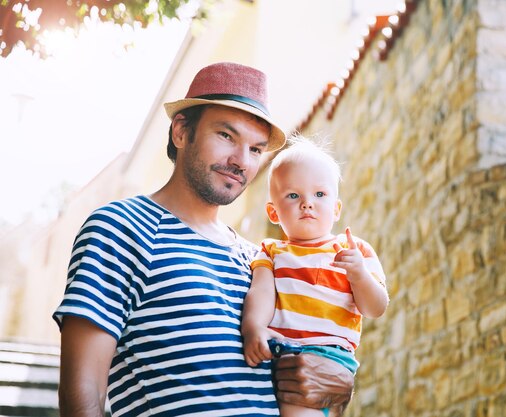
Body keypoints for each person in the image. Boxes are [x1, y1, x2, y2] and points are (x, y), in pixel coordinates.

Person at [53, 62, 354, 417]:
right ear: (181, 132)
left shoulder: (259, 260)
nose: (241, 161)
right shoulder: (120, 228)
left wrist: (340, 385)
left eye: (256, 149)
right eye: (226, 136)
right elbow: (82, 389)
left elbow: (302, 371)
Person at [241, 137, 389, 417]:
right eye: (293, 196)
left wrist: (358, 274)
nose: (307, 204)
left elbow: (375, 307)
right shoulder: (271, 252)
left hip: (326, 356)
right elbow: (260, 292)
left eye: (320, 195)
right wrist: (253, 327)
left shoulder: (354, 250)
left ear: (336, 208)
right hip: (279, 350)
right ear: (273, 211)